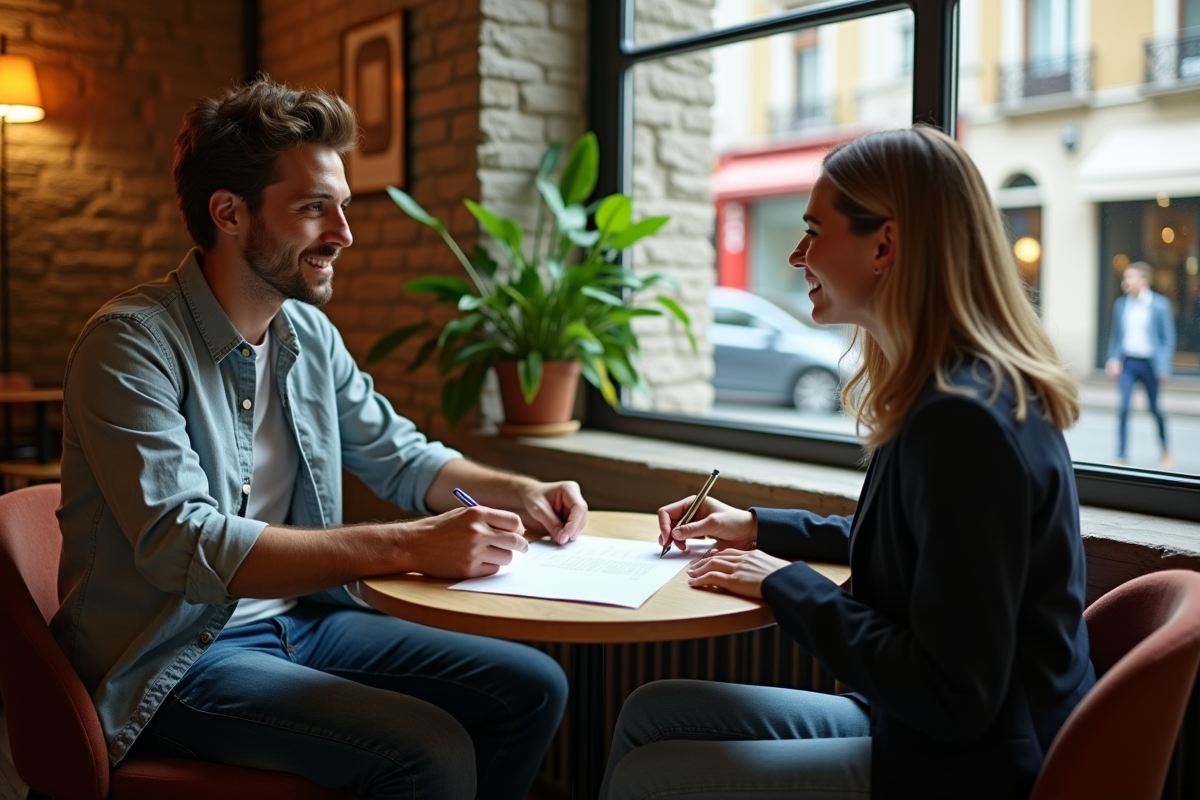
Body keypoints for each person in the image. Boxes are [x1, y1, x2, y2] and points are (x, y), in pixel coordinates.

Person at [51, 78, 586, 800]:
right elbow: (185, 541)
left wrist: (520, 492)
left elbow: (399, 454)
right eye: (314, 209)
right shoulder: (129, 345)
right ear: (230, 214)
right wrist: (409, 544)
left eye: (343, 206)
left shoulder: (307, 334)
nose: (343, 232)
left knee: (533, 685)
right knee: (427, 752)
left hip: (303, 620)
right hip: (173, 656)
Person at [601, 126, 1096, 800]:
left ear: (884, 245)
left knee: (645, 777)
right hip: (928, 736)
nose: (797, 256)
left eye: (813, 231)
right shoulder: (950, 391)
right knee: (650, 713)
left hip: (965, 770)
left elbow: (956, 696)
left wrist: (787, 584)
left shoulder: (964, 423)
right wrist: (754, 528)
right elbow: (928, 557)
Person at [1105, 261, 1175, 470]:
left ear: (1143, 280)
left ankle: (1165, 448)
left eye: (1130, 277)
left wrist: (1163, 367)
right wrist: (1113, 359)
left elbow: (1167, 338)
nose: (1126, 281)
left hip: (1150, 365)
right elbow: (1116, 335)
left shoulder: (1160, 305)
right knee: (1124, 408)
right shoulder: (1121, 304)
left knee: (1154, 409)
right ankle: (1121, 454)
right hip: (1128, 363)